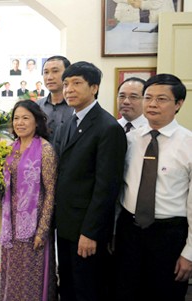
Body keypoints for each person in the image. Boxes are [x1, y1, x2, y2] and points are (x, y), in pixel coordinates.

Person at [53, 61, 127, 301]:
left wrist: (90, 233)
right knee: (68, 285)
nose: (69, 89)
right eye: (66, 84)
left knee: (88, 289)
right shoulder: (69, 122)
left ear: (94, 87)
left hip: (86, 229)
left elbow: (107, 187)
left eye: (77, 83)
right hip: (65, 225)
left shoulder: (107, 127)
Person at [115, 74, 192, 301]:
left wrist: (189, 253)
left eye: (161, 99)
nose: (152, 104)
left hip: (169, 235)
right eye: (148, 98)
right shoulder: (129, 139)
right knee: (124, 292)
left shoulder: (188, 144)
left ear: (178, 104)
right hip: (129, 231)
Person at [0, 100, 58, 300]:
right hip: (12, 225)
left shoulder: (45, 149)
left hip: (34, 224)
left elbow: (51, 192)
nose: (20, 123)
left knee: (32, 277)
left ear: (37, 121)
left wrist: (42, 230)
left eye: (26, 118)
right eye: (16, 118)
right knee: (12, 274)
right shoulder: (11, 148)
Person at [37, 55, 73, 142]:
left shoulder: (77, 107)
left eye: (55, 71)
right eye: (46, 72)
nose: (49, 77)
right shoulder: (37, 106)